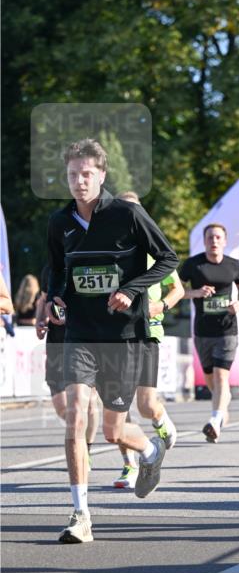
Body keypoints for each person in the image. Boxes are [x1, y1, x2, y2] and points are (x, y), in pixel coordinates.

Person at [46, 138, 179, 543]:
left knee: (112, 432)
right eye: (73, 174)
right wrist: (53, 298)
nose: (79, 181)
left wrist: (131, 290)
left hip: (122, 337)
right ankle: (80, 515)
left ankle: (151, 452)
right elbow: (56, 270)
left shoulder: (128, 214)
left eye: (86, 174)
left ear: (101, 175)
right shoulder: (59, 222)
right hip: (80, 335)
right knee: (76, 416)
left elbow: (169, 258)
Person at [111, 192, 184, 488]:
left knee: (145, 405)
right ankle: (129, 465)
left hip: (148, 332)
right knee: (118, 405)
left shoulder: (155, 251)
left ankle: (161, 421)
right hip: (114, 335)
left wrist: (161, 305)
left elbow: (178, 290)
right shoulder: (109, 250)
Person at [180, 223, 239, 443]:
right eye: (210, 237)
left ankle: (215, 419)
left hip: (227, 329)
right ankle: (220, 411)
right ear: (204, 241)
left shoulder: (233, 265)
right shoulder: (193, 265)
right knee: (211, 380)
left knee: (221, 376)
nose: (214, 241)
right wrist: (195, 292)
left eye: (218, 237)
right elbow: (176, 291)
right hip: (203, 331)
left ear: (225, 241)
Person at [36, 266, 99, 457]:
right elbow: (43, 299)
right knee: (62, 406)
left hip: (84, 340)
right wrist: (40, 321)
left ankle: (85, 450)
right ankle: (79, 430)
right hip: (56, 343)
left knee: (89, 402)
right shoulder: (51, 267)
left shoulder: (88, 262)